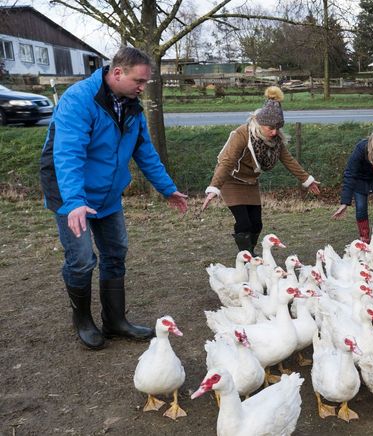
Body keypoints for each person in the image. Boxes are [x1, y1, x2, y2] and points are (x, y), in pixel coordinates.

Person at [39, 47, 189, 350]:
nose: (143, 87)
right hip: (70, 191)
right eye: (139, 80)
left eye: (146, 82)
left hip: (106, 192)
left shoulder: (132, 105)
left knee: (115, 252)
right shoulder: (79, 100)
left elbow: (143, 149)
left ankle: (115, 320)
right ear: (117, 73)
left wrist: (166, 188)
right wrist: (75, 201)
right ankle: (83, 321)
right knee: (81, 259)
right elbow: (68, 155)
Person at [202, 86, 320, 254]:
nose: (274, 132)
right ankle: (247, 256)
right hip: (231, 180)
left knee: (257, 224)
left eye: (277, 128)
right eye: (270, 128)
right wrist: (215, 188)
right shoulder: (242, 134)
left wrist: (306, 179)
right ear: (259, 122)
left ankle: (250, 250)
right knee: (244, 223)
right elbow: (227, 162)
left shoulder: (275, 139)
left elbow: (288, 159)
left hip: (250, 182)